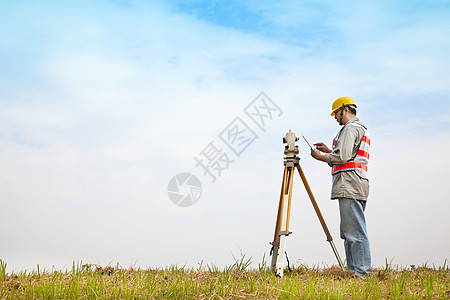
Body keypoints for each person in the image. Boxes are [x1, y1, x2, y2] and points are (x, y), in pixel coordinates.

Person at [310, 96, 371, 278]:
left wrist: (321, 156)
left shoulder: (350, 129)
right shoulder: (360, 129)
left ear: (345, 110)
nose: (335, 117)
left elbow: (342, 157)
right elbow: (349, 155)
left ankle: (361, 274)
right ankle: (355, 272)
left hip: (350, 183)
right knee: (350, 230)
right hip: (356, 182)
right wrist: (330, 151)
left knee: (354, 231)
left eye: (336, 113)